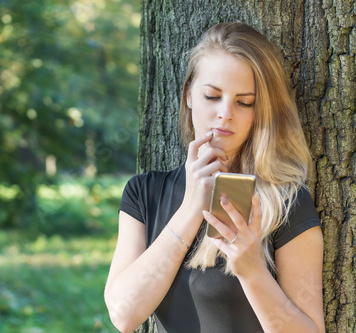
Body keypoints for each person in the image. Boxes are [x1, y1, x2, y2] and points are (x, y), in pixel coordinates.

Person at [104, 22, 325, 333]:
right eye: (212, 96)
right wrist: (192, 207)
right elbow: (123, 315)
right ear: (189, 94)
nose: (225, 113)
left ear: (259, 110)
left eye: (244, 102)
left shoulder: (285, 202)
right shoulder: (144, 193)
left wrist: (251, 270)